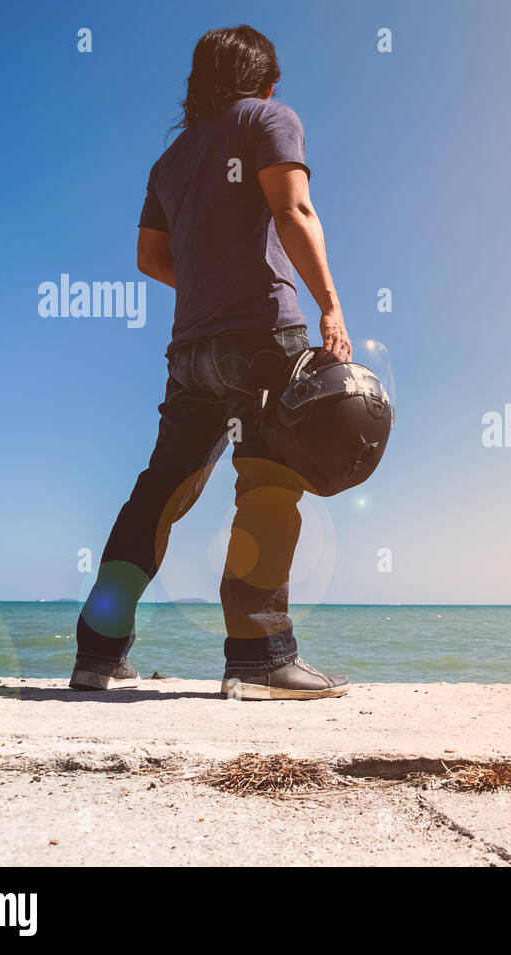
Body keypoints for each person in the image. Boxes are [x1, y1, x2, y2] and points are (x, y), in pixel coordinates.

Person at [69, 25, 350, 701]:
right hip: (263, 338)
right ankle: (258, 660)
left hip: (190, 352)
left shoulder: (169, 161)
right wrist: (332, 308)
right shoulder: (270, 117)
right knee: (268, 487)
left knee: (158, 494)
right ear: (267, 80)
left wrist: (206, 287)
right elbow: (293, 208)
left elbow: (150, 258)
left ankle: (98, 654)